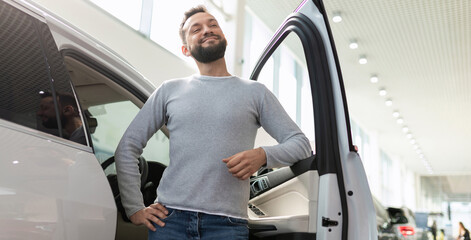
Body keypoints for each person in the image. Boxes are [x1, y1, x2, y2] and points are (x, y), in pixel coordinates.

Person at [114, 5, 312, 240]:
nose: (207, 30)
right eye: (196, 29)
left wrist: (262, 155)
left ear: (224, 37)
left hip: (227, 226)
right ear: (185, 49)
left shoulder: (255, 93)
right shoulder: (169, 91)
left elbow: (300, 144)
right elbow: (127, 148)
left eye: (213, 24)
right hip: (170, 222)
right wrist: (134, 208)